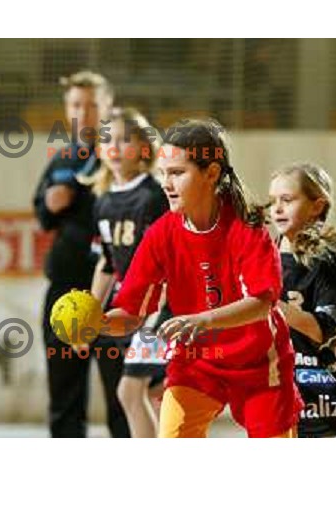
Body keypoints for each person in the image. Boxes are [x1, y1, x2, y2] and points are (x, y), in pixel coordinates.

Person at [100, 118, 302, 438]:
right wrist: (96, 323)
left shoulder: (246, 228)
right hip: (195, 363)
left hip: (259, 365)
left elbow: (262, 303)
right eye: (163, 173)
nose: (166, 183)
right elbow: (129, 312)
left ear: (211, 173)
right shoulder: (161, 234)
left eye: (178, 173)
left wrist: (204, 320)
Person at [33, 70, 130, 438]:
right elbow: (42, 214)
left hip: (116, 294)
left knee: (125, 398)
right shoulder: (63, 158)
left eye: (92, 105)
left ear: (109, 107)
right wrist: (50, 202)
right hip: (66, 292)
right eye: (76, 105)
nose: (84, 113)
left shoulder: (124, 158)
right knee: (64, 402)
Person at [82, 107, 169, 438]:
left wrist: (160, 308)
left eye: (124, 139)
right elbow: (107, 262)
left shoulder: (154, 196)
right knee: (145, 392)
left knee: (135, 392)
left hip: (157, 309)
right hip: (127, 310)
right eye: (107, 140)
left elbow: (171, 258)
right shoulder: (103, 202)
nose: (114, 147)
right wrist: (89, 313)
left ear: (144, 148)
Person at [269, 162, 336, 437]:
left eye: (287, 200)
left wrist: (268, 303)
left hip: (317, 391)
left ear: (316, 206)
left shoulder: (327, 262)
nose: (277, 208)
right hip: (272, 387)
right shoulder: (261, 257)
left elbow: (324, 329)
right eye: (273, 201)